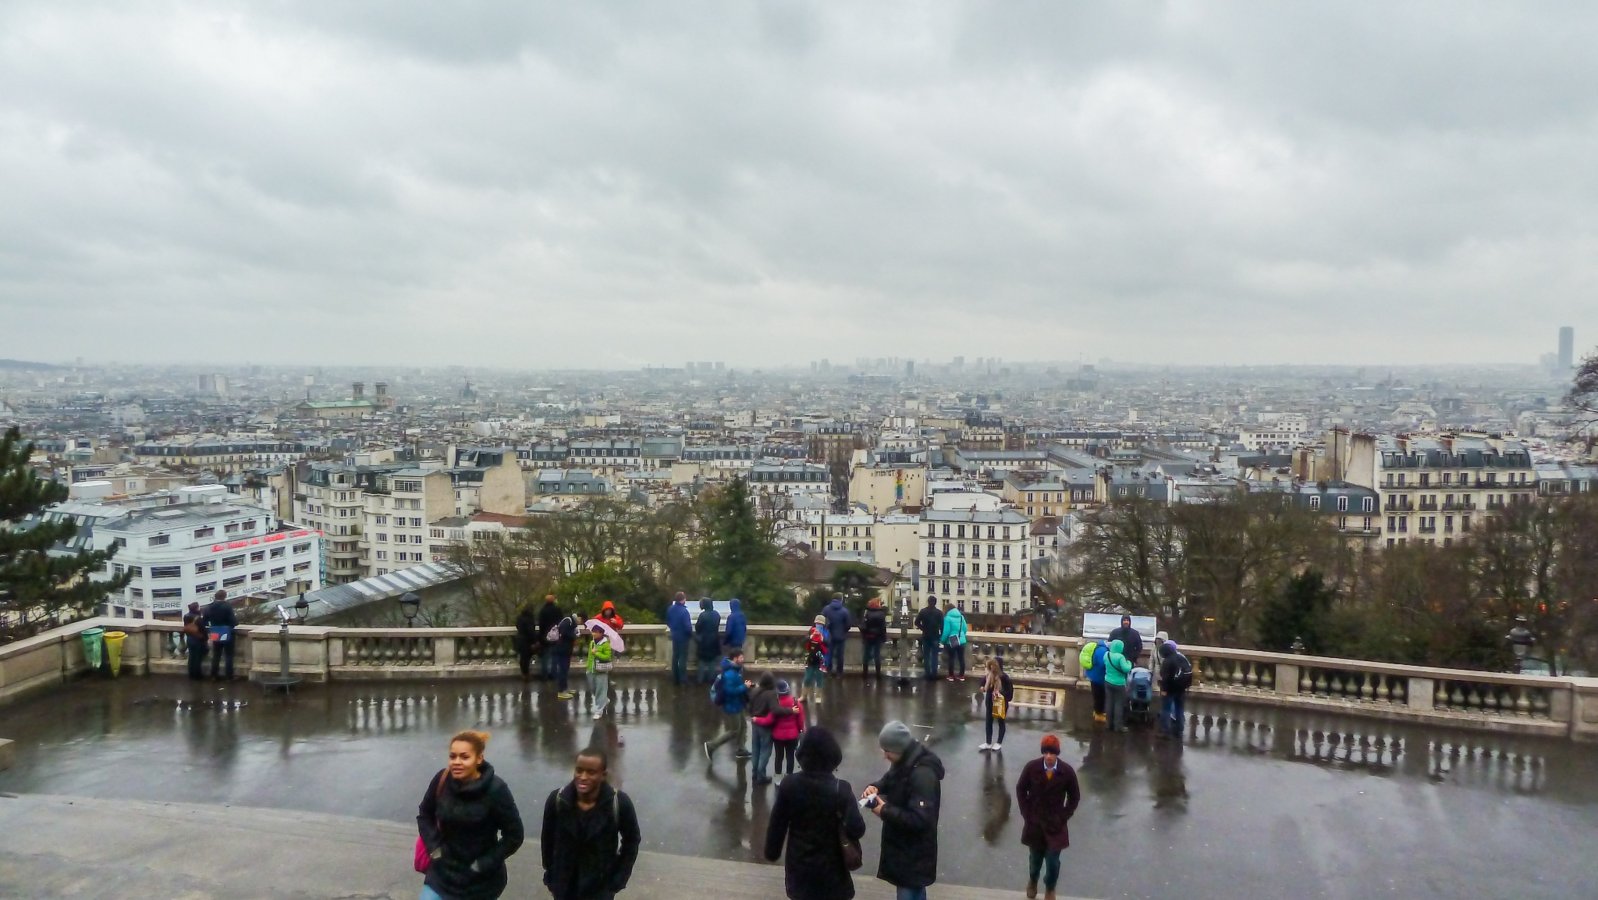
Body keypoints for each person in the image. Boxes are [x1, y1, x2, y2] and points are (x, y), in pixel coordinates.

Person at [416, 730, 524, 900]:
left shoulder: (496, 790)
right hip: (442, 874)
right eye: (453, 756)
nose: (456, 762)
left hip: (480, 882)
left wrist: (482, 864)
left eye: (464, 757)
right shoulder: (441, 780)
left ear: (479, 759)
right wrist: (434, 848)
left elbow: (514, 835)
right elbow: (425, 814)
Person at [763, 726, 865, 900]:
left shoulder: (789, 785)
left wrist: (772, 852)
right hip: (834, 872)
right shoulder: (842, 789)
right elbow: (857, 829)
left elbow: (777, 826)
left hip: (800, 870)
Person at [541, 747, 641, 900]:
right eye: (579, 770)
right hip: (564, 887)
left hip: (599, 888)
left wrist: (619, 878)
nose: (583, 777)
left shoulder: (619, 803)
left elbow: (632, 840)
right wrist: (551, 873)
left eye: (591, 772)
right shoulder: (557, 800)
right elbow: (547, 840)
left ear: (603, 775)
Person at [862, 720, 945, 900]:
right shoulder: (905, 761)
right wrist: (876, 787)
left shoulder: (923, 775)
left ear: (898, 748)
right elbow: (890, 779)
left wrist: (883, 810)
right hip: (906, 851)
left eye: (887, 751)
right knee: (913, 892)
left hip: (914, 855)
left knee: (909, 893)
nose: (884, 755)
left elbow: (920, 819)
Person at [1014, 734, 1081, 900]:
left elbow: (1074, 797)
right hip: (1035, 823)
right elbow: (1021, 789)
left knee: (1052, 862)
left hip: (1055, 824)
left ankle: (1050, 887)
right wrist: (1026, 813)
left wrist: (1064, 816)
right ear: (1043, 753)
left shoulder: (1066, 772)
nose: (1049, 756)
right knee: (1035, 860)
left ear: (1057, 753)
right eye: (1046, 752)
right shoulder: (1032, 768)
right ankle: (1033, 880)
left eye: (1052, 753)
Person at [704, 648, 752, 760]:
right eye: (741, 657)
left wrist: (744, 686)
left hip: (738, 704)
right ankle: (711, 746)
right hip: (732, 706)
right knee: (734, 730)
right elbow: (730, 691)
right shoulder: (730, 674)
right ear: (735, 659)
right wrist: (744, 687)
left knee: (743, 726)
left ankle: (741, 749)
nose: (743, 659)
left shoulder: (735, 669)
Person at [747, 671, 788, 785]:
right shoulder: (771, 694)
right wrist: (790, 711)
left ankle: (755, 773)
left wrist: (752, 715)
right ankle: (761, 776)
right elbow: (776, 710)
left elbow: (749, 706)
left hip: (755, 723)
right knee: (765, 751)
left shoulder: (755, 691)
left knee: (755, 749)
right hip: (765, 726)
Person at [761, 680, 806, 777]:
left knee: (778, 757)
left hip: (778, 736)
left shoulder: (774, 705)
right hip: (792, 735)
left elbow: (770, 720)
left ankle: (778, 778)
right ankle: (789, 776)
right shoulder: (795, 703)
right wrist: (800, 730)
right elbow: (801, 720)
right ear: (788, 690)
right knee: (790, 756)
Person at [1158, 640, 1192, 740]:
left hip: (1170, 689)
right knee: (1179, 709)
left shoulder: (1167, 661)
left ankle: (1165, 731)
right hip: (1181, 688)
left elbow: (1165, 678)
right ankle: (1179, 729)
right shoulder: (1181, 657)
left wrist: (1164, 690)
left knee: (1166, 709)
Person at [979, 656, 1015, 752]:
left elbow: (1010, 693)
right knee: (988, 721)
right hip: (990, 701)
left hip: (1000, 702)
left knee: (1000, 721)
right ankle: (988, 742)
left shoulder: (1004, 678)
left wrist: (1001, 694)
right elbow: (982, 682)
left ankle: (999, 742)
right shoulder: (988, 675)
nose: (992, 668)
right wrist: (982, 687)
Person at [203, 590, 237, 681]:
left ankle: (214, 675)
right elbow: (233, 621)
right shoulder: (227, 606)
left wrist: (212, 627)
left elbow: (204, 621)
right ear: (224, 596)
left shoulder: (209, 607)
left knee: (216, 654)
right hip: (226, 630)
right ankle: (229, 676)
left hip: (215, 631)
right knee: (228, 655)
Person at [1102, 638, 1133, 733]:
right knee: (1118, 704)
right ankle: (1118, 726)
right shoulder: (1120, 657)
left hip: (1107, 681)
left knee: (1109, 703)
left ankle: (1108, 724)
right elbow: (1126, 669)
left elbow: (1104, 663)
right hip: (1119, 683)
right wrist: (1129, 663)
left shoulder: (1107, 654)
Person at [665, 592, 694, 686]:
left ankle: (675, 678)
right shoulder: (684, 611)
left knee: (675, 656)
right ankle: (683, 679)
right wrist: (690, 634)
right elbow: (688, 627)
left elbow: (668, 621)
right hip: (683, 637)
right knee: (682, 658)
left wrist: (674, 629)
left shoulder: (670, 609)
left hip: (675, 636)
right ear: (683, 599)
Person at [586, 624, 613, 720]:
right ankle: (604, 700)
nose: (593, 633)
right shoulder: (592, 643)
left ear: (601, 633)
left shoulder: (606, 644)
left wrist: (596, 653)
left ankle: (599, 710)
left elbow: (607, 657)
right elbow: (589, 656)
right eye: (593, 631)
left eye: (596, 632)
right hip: (591, 669)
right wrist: (588, 667)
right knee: (593, 688)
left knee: (600, 690)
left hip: (601, 670)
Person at [914, 596, 944, 681]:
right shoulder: (939, 613)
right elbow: (942, 626)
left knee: (926, 656)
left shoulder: (923, 611)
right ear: (935, 602)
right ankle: (934, 674)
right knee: (934, 656)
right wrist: (941, 635)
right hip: (935, 636)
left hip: (926, 636)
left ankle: (927, 674)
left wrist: (923, 628)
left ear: (928, 601)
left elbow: (916, 622)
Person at [1079, 638, 1109, 724]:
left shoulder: (1098, 648)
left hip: (1093, 675)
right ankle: (1099, 715)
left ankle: (1096, 712)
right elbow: (1102, 664)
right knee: (1100, 697)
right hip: (1099, 677)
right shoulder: (1103, 651)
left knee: (1096, 695)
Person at [801, 615, 828, 706]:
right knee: (808, 677)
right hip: (811, 657)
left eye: (820, 624)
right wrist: (810, 637)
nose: (818, 625)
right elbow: (804, 641)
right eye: (817, 623)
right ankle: (804, 695)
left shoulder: (826, 632)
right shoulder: (811, 630)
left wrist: (822, 639)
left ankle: (818, 696)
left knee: (819, 678)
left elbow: (828, 643)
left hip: (820, 658)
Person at [822, 595, 852, 675]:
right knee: (840, 655)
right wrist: (843, 631)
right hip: (841, 636)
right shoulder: (845, 611)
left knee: (828, 654)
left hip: (828, 636)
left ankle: (828, 671)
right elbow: (848, 624)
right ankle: (839, 672)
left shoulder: (826, 609)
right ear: (841, 599)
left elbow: (821, 621)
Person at [695, 598, 722, 685]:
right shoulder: (716, 614)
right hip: (714, 640)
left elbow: (698, 627)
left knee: (702, 661)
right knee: (712, 661)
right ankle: (711, 679)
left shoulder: (702, 615)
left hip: (704, 641)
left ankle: (700, 679)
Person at [553, 608, 579, 700]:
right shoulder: (568, 621)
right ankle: (561, 691)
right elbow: (563, 632)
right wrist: (574, 636)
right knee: (562, 670)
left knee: (565, 669)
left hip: (566, 649)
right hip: (562, 649)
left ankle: (565, 688)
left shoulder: (571, 622)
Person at [940, 600, 969, 682]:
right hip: (962, 641)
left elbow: (946, 632)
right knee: (961, 658)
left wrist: (942, 641)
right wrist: (961, 636)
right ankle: (961, 675)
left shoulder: (947, 618)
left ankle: (951, 676)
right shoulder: (961, 617)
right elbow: (965, 629)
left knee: (951, 658)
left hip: (951, 641)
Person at [860, 597, 888, 680]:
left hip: (868, 637)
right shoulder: (881, 614)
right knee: (877, 655)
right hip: (877, 637)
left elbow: (862, 626)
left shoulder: (866, 613)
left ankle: (865, 674)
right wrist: (883, 638)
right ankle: (878, 674)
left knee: (866, 655)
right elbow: (883, 628)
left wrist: (864, 635)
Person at [536, 595, 563, 680]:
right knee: (555, 657)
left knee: (545, 657)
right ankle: (554, 674)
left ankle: (544, 675)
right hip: (556, 637)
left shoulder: (543, 611)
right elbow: (561, 623)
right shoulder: (558, 610)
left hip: (545, 637)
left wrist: (540, 638)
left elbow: (541, 625)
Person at [182, 601, 208, 680]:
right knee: (197, 658)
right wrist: (206, 638)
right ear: (196, 608)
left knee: (191, 657)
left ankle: (191, 674)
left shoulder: (186, 616)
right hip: (198, 639)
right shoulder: (198, 618)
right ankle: (197, 675)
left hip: (189, 638)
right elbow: (202, 630)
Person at [514, 602, 540, 681]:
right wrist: (535, 641)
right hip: (527, 641)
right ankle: (526, 674)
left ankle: (524, 674)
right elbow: (531, 631)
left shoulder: (519, 617)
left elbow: (517, 626)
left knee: (523, 658)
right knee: (526, 659)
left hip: (520, 639)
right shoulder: (529, 618)